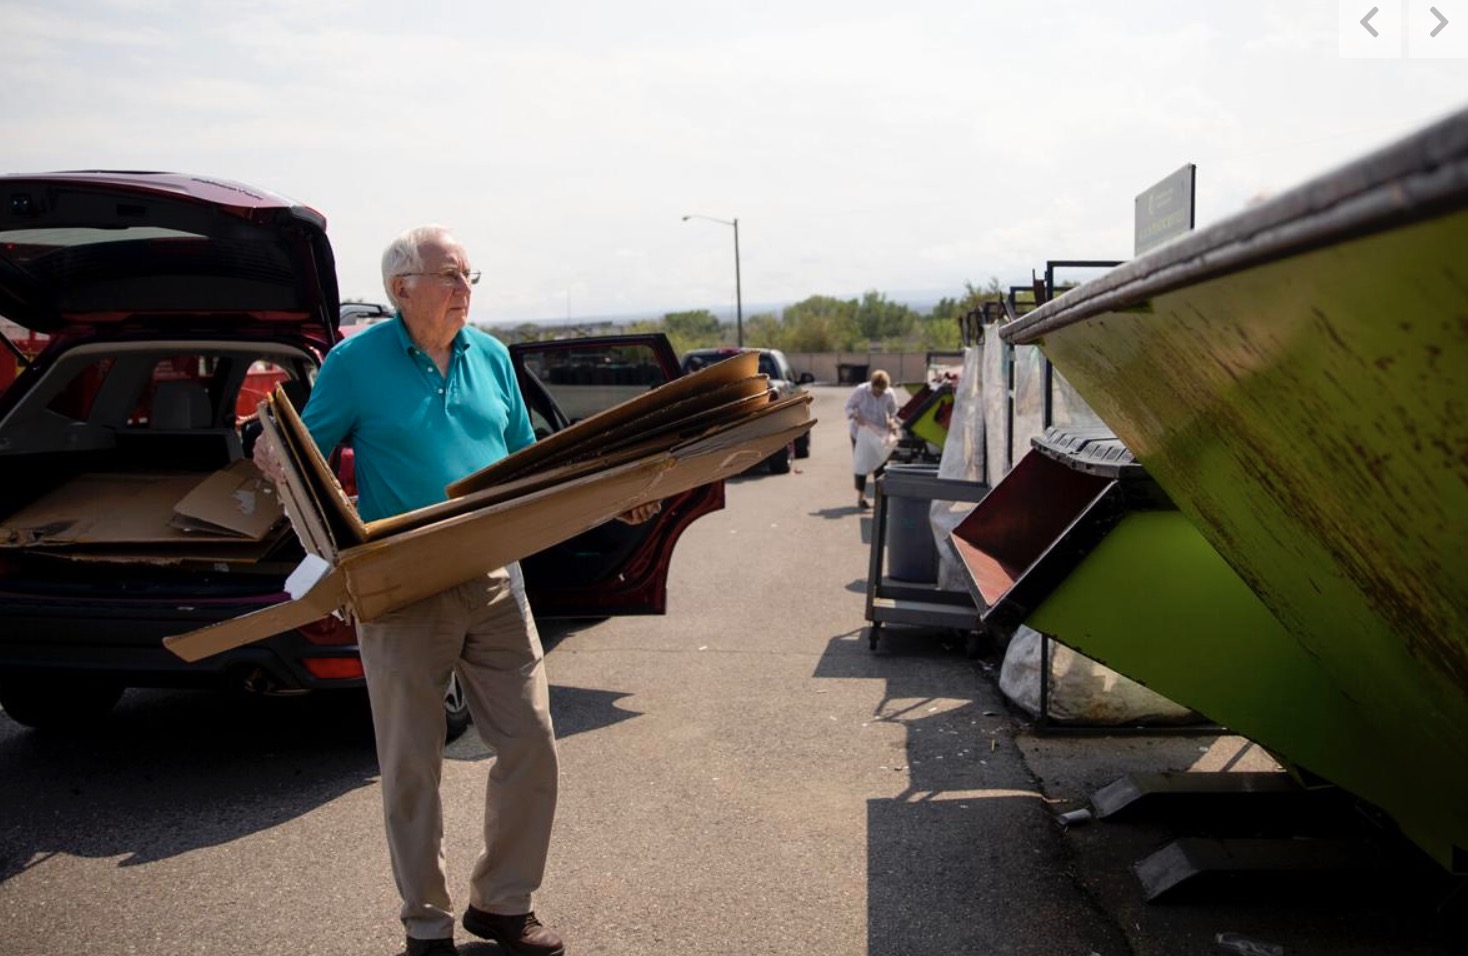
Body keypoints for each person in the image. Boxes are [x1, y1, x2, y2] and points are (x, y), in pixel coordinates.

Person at [255, 224, 656, 956]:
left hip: (496, 580)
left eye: (471, 276)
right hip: (404, 587)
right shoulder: (355, 363)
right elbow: (301, 452)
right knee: (413, 765)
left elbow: (527, 463)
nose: (466, 290)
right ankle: (427, 925)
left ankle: (503, 904)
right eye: (451, 276)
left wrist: (607, 496)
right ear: (402, 289)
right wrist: (272, 452)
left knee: (531, 742)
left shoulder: (493, 356)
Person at [845, 369, 900, 509]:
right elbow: (848, 407)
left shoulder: (889, 394)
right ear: (872, 385)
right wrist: (856, 417)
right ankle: (861, 497)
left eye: (881, 392)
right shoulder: (861, 390)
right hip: (860, 433)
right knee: (861, 464)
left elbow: (894, 411)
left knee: (881, 464)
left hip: (879, 435)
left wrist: (892, 422)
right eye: (877, 392)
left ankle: (879, 498)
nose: (879, 394)